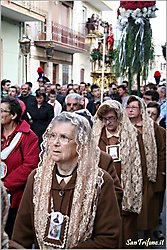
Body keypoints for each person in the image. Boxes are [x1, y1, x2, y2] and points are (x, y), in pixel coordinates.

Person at [12, 112, 121, 249]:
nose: (55, 143)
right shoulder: (36, 178)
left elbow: (108, 238)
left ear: (80, 144)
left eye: (64, 137)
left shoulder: (100, 181)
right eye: (52, 136)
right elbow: (21, 233)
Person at [92, 100, 143, 248]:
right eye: (105, 119)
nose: (108, 122)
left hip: (126, 186)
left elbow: (140, 165)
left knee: (126, 229)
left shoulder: (132, 135)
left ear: (119, 117)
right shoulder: (96, 136)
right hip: (104, 188)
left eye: (111, 118)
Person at [125, 95, 166, 241]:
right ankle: (131, 239)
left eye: (134, 107)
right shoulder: (124, 126)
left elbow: (161, 151)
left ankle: (147, 239)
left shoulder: (151, 126)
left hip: (148, 174)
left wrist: (160, 175)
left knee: (148, 210)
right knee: (130, 211)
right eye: (128, 107)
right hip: (130, 175)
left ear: (141, 109)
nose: (130, 110)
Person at [1, 97, 40, 239]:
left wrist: (5, 185)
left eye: (2, 111)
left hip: (15, 199)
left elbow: (30, 165)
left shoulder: (29, 137)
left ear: (13, 115)